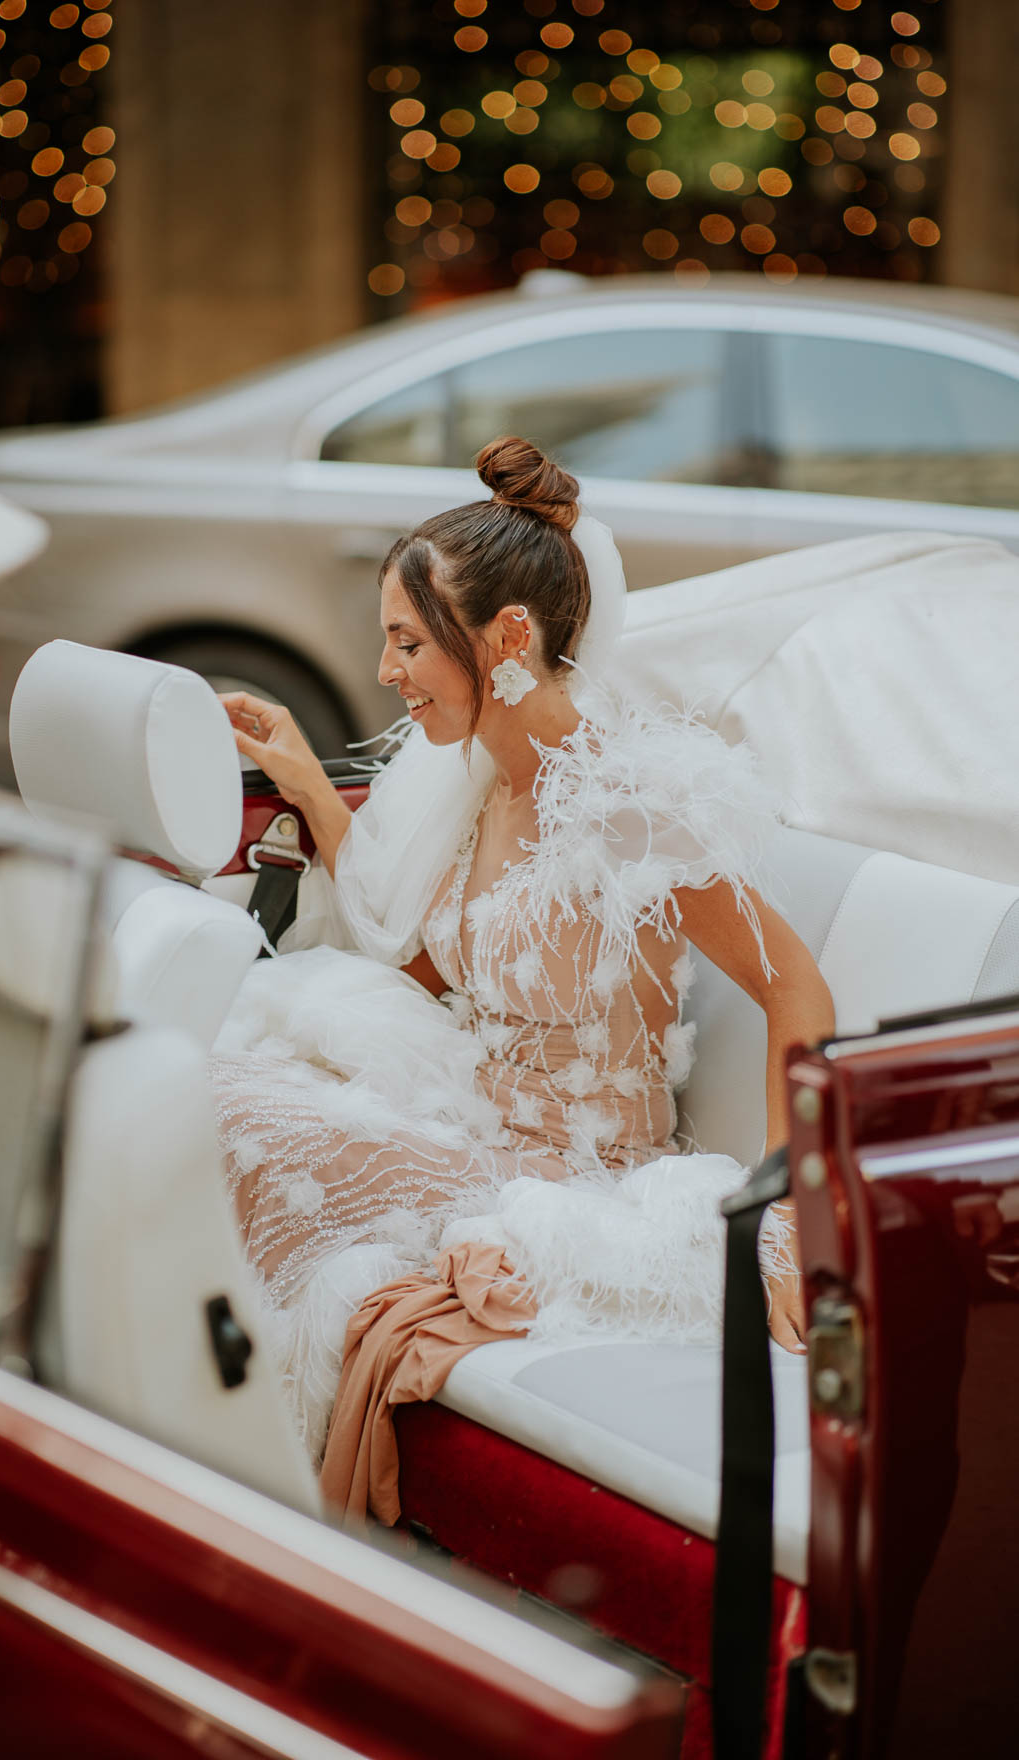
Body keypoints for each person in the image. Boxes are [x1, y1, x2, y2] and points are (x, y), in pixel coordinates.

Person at [209, 436, 835, 1513]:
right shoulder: (475, 784)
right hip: (474, 1124)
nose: (385, 672)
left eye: (407, 642)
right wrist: (309, 783)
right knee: (209, 1088)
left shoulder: (627, 800)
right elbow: (421, 947)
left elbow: (796, 991)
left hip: (582, 1175)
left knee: (238, 1122)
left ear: (506, 636)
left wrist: (784, 1213)